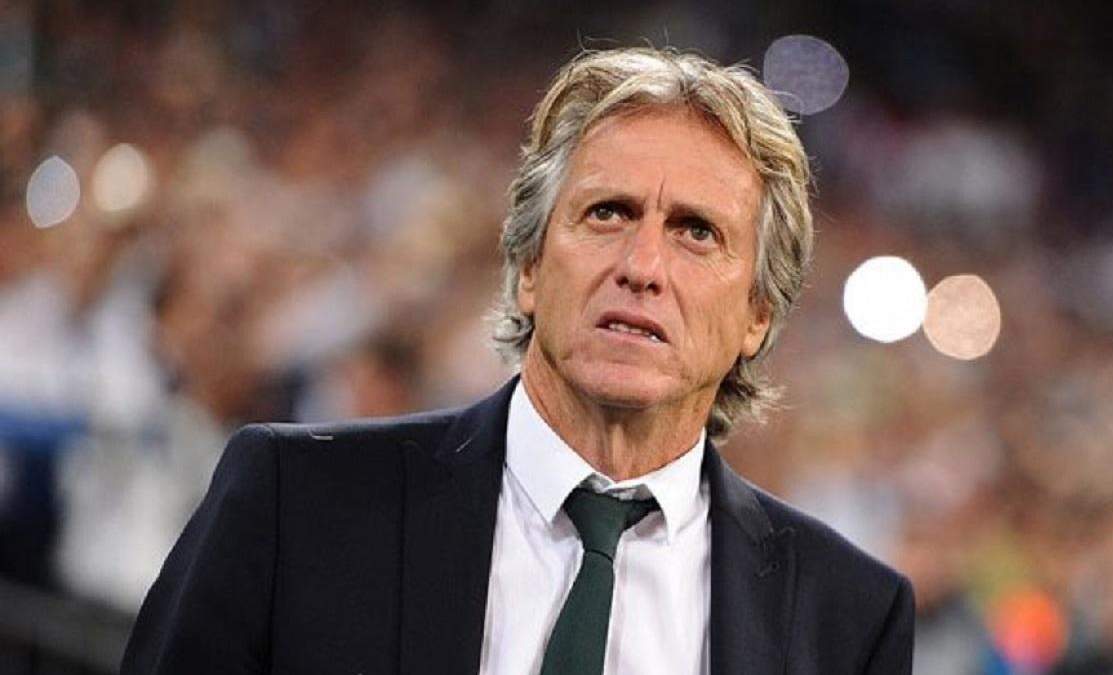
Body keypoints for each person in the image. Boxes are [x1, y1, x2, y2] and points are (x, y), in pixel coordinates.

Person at [122, 46, 914, 675]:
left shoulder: (849, 617)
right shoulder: (296, 501)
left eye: (696, 232)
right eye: (608, 212)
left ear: (758, 314)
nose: (643, 265)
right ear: (529, 264)